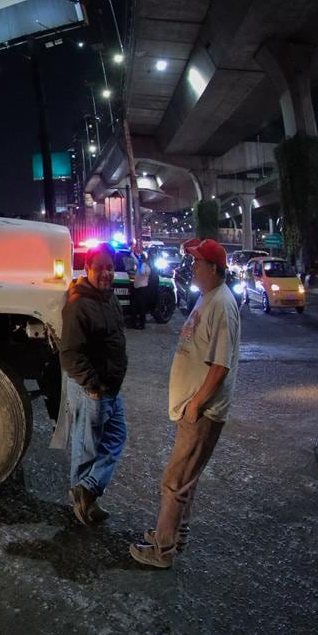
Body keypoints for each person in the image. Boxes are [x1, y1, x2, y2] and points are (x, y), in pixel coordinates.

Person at [130, 238, 241, 569]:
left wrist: (195, 405)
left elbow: (221, 366)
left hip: (203, 411)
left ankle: (163, 551)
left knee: (175, 480)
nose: (191, 267)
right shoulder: (209, 298)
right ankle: (174, 536)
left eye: (196, 263)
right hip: (195, 408)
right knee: (185, 479)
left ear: (212, 268)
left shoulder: (221, 304)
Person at [59, 242, 129, 525]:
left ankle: (87, 490)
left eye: (110, 268)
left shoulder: (108, 298)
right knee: (87, 448)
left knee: (115, 438)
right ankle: (84, 504)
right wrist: (92, 386)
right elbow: (69, 353)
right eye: (99, 268)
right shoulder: (79, 305)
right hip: (94, 389)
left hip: (111, 387)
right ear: (87, 268)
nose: (106, 273)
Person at [129, 246, 151, 329]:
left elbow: (142, 272)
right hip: (137, 289)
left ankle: (142, 324)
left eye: (141, 258)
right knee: (135, 307)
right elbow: (134, 259)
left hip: (142, 290)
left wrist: (143, 264)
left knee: (142, 308)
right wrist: (131, 253)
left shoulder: (146, 267)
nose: (140, 260)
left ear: (144, 259)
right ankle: (134, 323)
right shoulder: (141, 264)